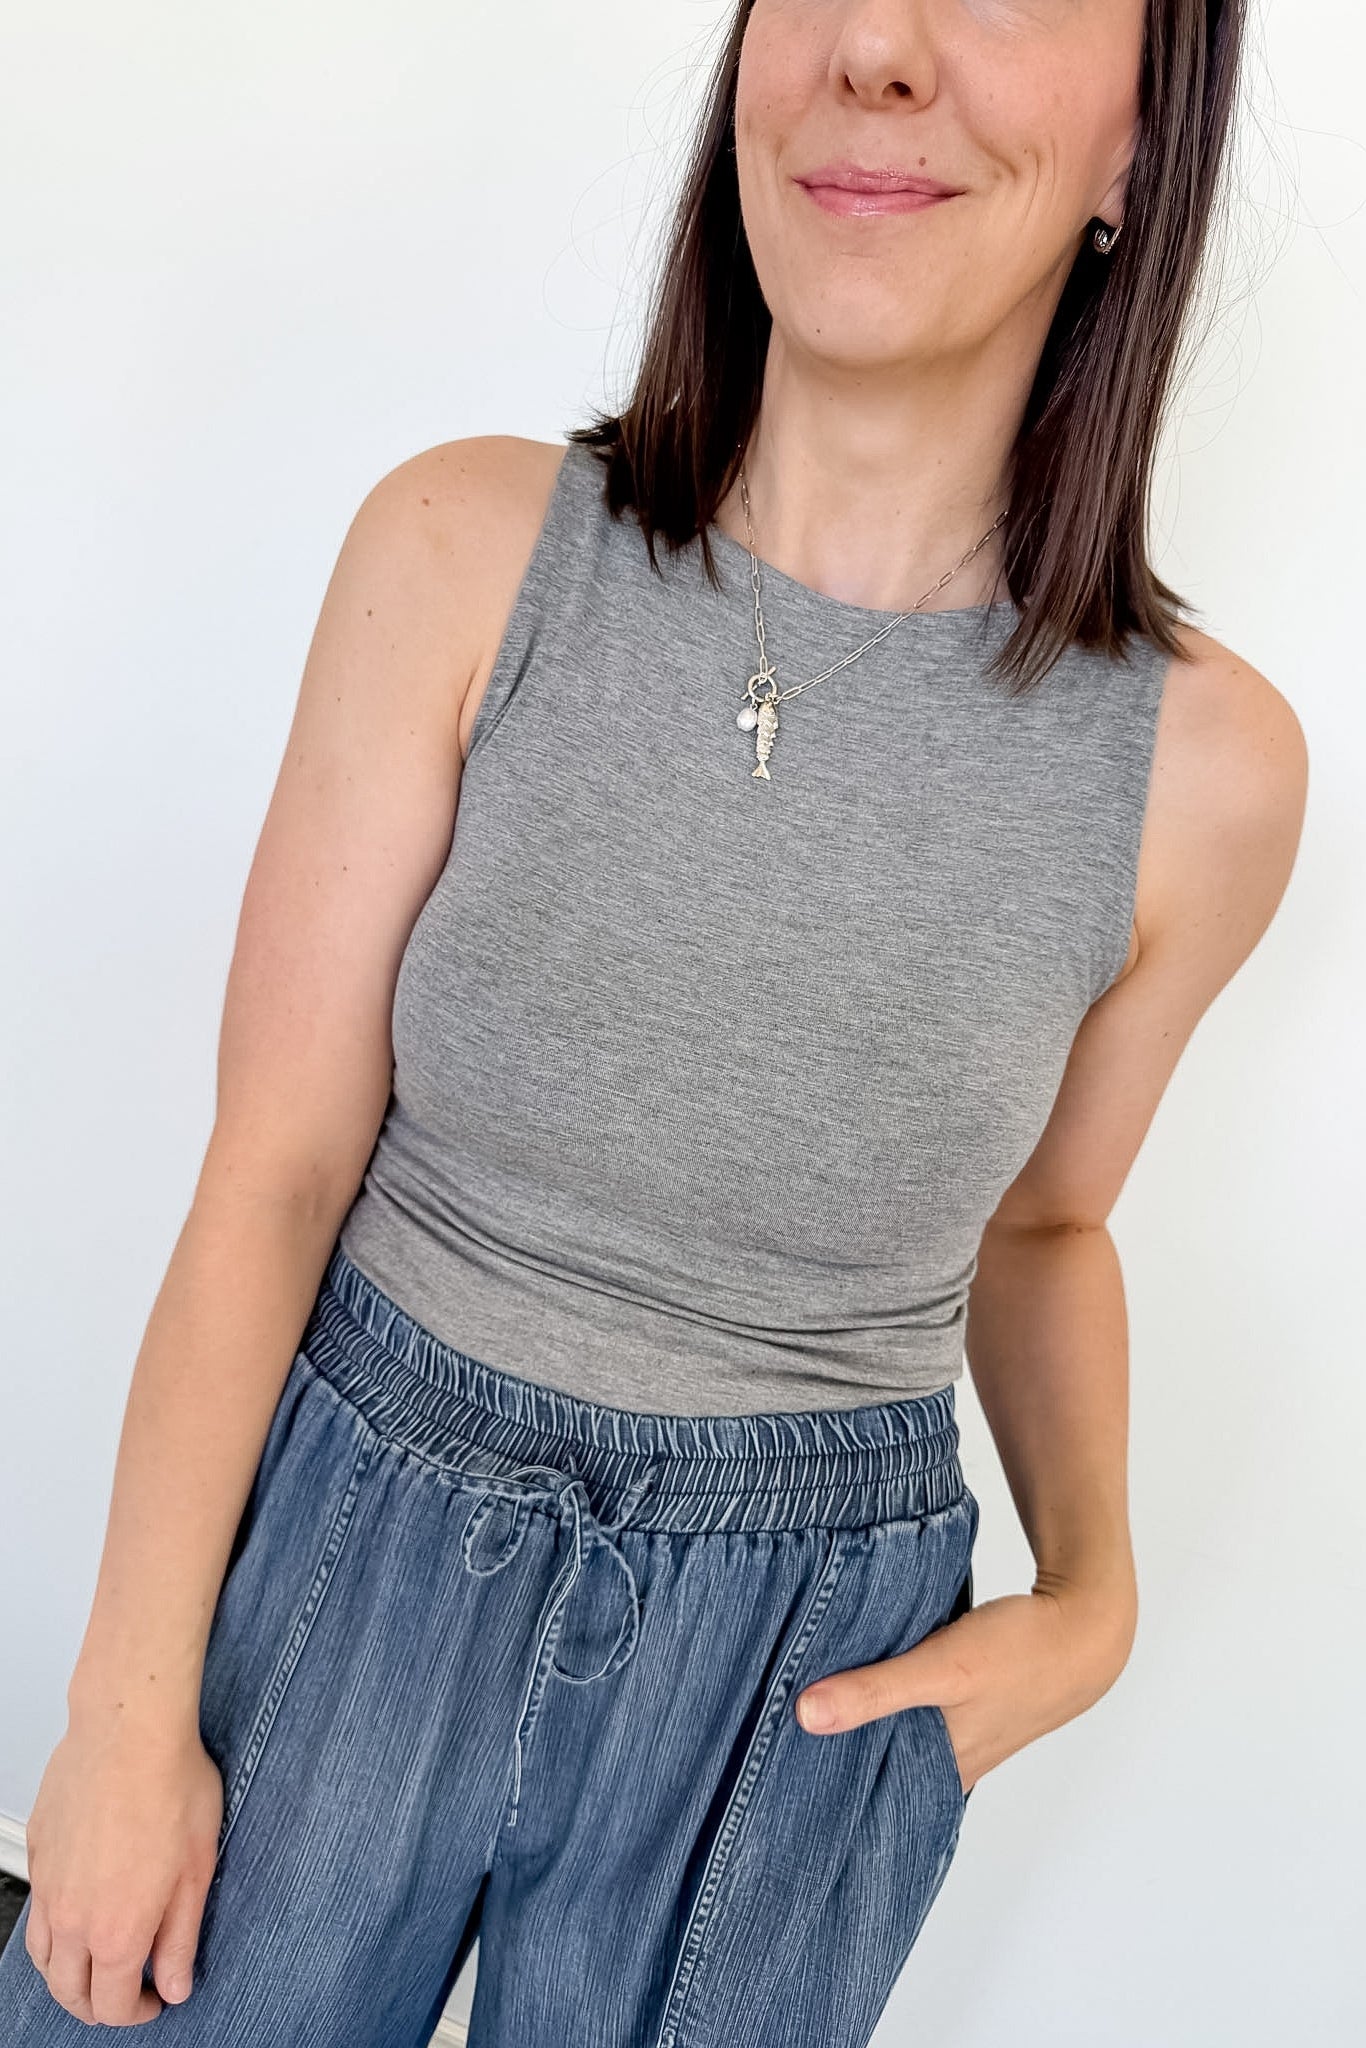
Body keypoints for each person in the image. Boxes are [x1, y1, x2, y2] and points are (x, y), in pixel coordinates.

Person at [1, 0, 1307, 2041]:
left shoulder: (1204, 775)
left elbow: (1041, 1229)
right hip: (359, 1528)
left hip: (795, 1648)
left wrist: (1093, 1594)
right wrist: (120, 1713)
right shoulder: (461, 553)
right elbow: (272, 1169)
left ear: (1144, 143)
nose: (878, 49)